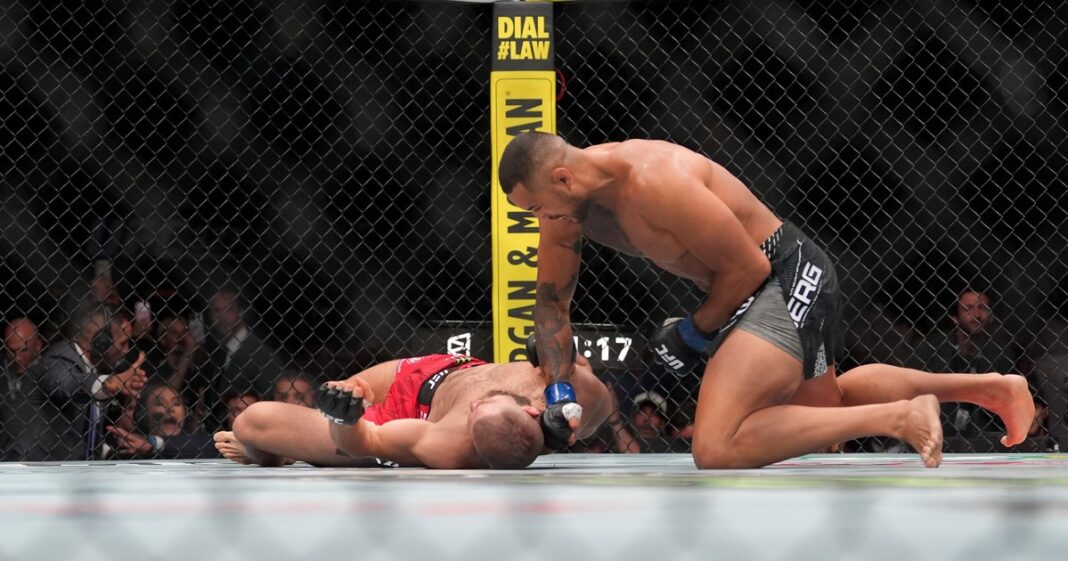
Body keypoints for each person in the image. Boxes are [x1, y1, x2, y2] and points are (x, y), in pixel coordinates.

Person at [498, 132, 1035, 468]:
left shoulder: (655, 181)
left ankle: (899, 416)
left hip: (784, 274)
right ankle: (990, 388)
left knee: (717, 446)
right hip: (751, 289)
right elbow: (550, 306)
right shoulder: (566, 209)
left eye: (536, 207)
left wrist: (692, 333)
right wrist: (559, 389)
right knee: (826, 409)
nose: (538, 219)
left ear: (563, 177)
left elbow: (748, 268)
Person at [213, 354, 612, 469]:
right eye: (486, 404)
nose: (475, 403)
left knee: (252, 422)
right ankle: (293, 444)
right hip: (440, 369)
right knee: (350, 384)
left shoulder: (448, 446)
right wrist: (565, 386)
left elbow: (365, 442)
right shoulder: (572, 400)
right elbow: (581, 366)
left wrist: (343, 418)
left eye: (474, 413)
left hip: (408, 417)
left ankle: (272, 453)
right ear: (533, 414)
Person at [16, 302, 147, 461]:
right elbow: (65, 384)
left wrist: (111, 451)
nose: (126, 350)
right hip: (35, 469)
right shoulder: (60, 357)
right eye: (123, 343)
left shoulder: (95, 369)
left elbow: (81, 436)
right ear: (101, 342)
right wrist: (108, 383)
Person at [105, 384, 219, 459]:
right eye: (159, 403)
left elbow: (210, 445)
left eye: (176, 403)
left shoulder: (200, 443)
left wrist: (154, 444)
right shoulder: (127, 452)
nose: (170, 409)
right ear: (143, 415)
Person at [0, 318, 45, 459]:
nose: (17, 358)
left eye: (24, 350)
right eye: (12, 351)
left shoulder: (50, 371)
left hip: (42, 455)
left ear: (38, 346)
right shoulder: (2, 373)